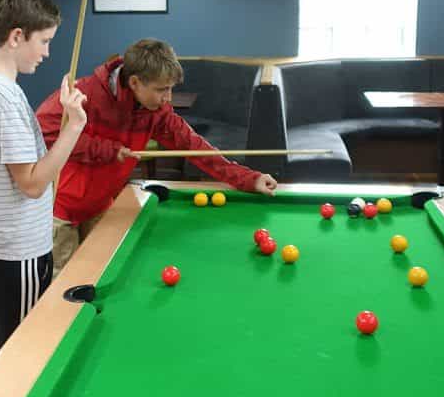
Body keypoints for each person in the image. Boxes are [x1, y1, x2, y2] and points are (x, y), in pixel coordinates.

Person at [36, 38, 279, 275]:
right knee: (61, 295)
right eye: (162, 89)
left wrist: (249, 178)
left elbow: (197, 149)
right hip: (60, 212)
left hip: (101, 207)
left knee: (96, 279)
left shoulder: (157, 112)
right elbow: (43, 131)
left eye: (171, 89)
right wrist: (106, 149)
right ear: (134, 82)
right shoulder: (84, 93)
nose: (168, 98)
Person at [0, 0, 87, 369]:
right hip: (18, 247)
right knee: (21, 356)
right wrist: (74, 127)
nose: (48, 53)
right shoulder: (4, 98)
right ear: (17, 36)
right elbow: (33, 183)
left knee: (1, 346)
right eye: (45, 41)